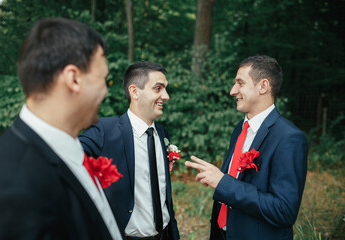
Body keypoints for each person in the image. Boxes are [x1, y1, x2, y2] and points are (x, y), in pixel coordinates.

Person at [0, 18, 124, 240]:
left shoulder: (65, 147)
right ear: (74, 79)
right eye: (103, 79)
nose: (106, 91)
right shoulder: (13, 191)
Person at [185, 55, 308, 240]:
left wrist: (223, 183)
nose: (232, 91)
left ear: (263, 86)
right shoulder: (240, 129)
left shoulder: (289, 138)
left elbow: (284, 212)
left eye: (240, 83)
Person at [79, 61, 180, 240]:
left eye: (166, 89)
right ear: (134, 92)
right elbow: (70, 156)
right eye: (158, 88)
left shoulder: (162, 133)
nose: (166, 96)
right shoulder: (105, 130)